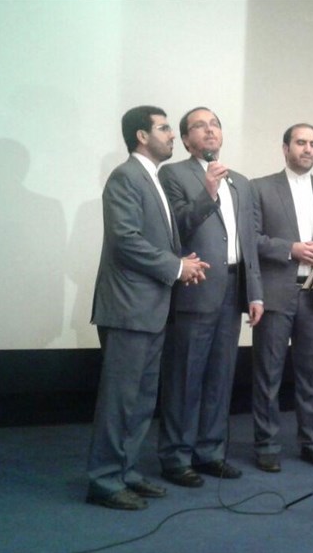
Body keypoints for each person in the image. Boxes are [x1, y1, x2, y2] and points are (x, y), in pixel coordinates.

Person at [87, 105, 208, 510]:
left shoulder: (152, 177)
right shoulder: (126, 177)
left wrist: (182, 263)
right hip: (128, 309)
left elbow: (156, 238)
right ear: (142, 136)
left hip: (150, 308)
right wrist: (176, 267)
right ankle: (104, 481)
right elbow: (125, 239)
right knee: (119, 401)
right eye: (164, 128)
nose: (172, 135)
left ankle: (126, 472)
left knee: (140, 402)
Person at [157, 106, 263, 487]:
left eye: (214, 124)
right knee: (186, 376)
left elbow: (248, 241)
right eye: (199, 126)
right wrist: (208, 191)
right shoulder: (173, 175)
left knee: (221, 375)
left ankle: (210, 453)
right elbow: (175, 228)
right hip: (195, 286)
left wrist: (255, 292)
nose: (209, 130)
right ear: (186, 139)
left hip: (233, 288)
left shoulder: (241, 182)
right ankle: (176, 457)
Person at [250, 124, 313, 473]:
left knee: (311, 375)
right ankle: (267, 445)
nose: (307, 149)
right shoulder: (260, 188)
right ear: (285, 147)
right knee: (268, 375)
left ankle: (312, 443)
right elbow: (252, 239)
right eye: (301, 142)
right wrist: (291, 249)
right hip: (275, 293)